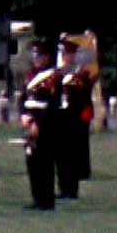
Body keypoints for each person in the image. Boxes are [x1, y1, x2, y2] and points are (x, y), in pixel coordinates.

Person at [19, 39, 61, 210]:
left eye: (39, 55)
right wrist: (23, 115)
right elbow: (23, 98)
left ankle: (46, 199)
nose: (35, 58)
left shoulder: (54, 76)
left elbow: (52, 103)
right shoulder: (30, 75)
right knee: (32, 161)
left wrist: (38, 123)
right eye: (34, 55)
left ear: (47, 57)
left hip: (46, 124)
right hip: (29, 121)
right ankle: (36, 197)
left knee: (45, 162)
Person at [55, 35, 94, 200]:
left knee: (71, 155)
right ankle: (63, 187)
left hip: (74, 117)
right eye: (64, 53)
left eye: (70, 54)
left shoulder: (81, 74)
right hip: (60, 116)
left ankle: (71, 189)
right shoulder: (58, 73)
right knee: (60, 155)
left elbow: (83, 92)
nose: (67, 57)